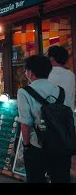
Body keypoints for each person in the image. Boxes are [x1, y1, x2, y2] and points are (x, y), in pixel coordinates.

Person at [16, 55, 73, 183]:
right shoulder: (61, 91)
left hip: (38, 146)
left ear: (30, 73)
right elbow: (70, 117)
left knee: (36, 179)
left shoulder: (24, 92)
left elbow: (25, 123)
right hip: (62, 146)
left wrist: (26, 147)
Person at [47, 45, 75, 111]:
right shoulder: (71, 75)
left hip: (52, 116)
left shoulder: (47, 73)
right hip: (69, 115)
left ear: (52, 58)